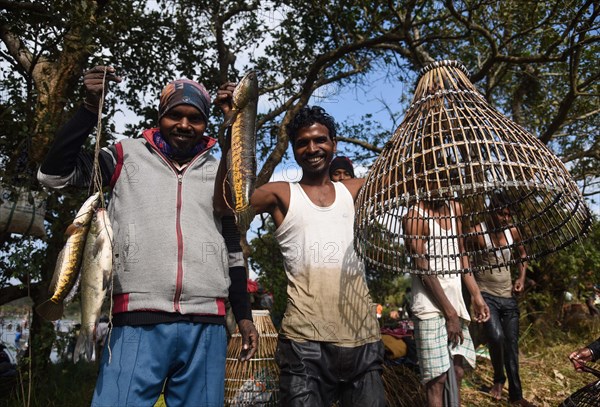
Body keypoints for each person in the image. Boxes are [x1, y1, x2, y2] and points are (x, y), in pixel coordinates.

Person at [37, 66, 258, 407]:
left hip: (207, 326)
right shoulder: (125, 156)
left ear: (205, 123)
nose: (184, 125)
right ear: (160, 117)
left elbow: (232, 249)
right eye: (175, 115)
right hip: (137, 321)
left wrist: (243, 315)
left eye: (195, 118)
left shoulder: (218, 170)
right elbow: (53, 176)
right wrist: (88, 109)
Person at [249, 105, 385, 406]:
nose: (313, 148)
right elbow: (228, 206)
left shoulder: (356, 190)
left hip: (361, 339)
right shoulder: (281, 194)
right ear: (294, 150)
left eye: (320, 140)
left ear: (333, 144)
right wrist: (234, 125)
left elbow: (410, 179)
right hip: (304, 345)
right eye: (302, 142)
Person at [403, 198, 490, 407]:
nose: (439, 183)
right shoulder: (414, 217)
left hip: (455, 302)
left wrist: (476, 295)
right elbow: (422, 267)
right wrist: (449, 314)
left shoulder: (455, 208)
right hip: (429, 307)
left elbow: (461, 252)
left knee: (458, 371)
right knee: (436, 379)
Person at [468, 193, 535, 406]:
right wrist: (474, 296)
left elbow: (523, 254)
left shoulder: (512, 230)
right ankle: (498, 378)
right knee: (496, 337)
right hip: (486, 295)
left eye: (508, 214)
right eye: (501, 213)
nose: (505, 218)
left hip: (508, 296)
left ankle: (516, 396)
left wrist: (521, 278)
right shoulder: (477, 232)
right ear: (490, 211)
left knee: (512, 344)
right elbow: (465, 263)